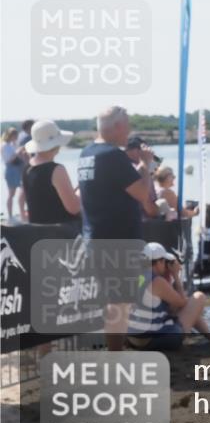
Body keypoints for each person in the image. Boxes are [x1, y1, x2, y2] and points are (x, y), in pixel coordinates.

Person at [78, 106, 159, 351]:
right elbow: (142, 194)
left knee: (115, 300)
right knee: (118, 301)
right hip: (117, 238)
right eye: (128, 124)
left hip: (97, 234)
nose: (130, 130)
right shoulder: (112, 156)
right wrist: (146, 165)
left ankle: (115, 353)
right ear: (117, 127)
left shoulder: (87, 152)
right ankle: (115, 357)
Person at [127, 242, 210, 352]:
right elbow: (182, 303)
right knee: (199, 297)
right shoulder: (157, 282)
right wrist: (176, 276)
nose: (165, 264)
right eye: (164, 261)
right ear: (158, 262)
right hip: (150, 342)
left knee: (188, 308)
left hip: (133, 339)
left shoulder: (138, 276)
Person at [23, 120, 80, 224]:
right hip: (60, 234)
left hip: (37, 234)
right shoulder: (56, 170)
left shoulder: (27, 168)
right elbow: (74, 208)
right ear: (56, 144)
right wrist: (82, 191)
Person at [2, 127, 25, 222]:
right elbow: (8, 160)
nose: (16, 137)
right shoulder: (4, 146)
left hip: (18, 169)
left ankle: (22, 213)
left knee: (23, 190)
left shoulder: (12, 145)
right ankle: (10, 216)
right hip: (11, 170)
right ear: (10, 135)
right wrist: (17, 152)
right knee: (11, 194)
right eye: (14, 135)